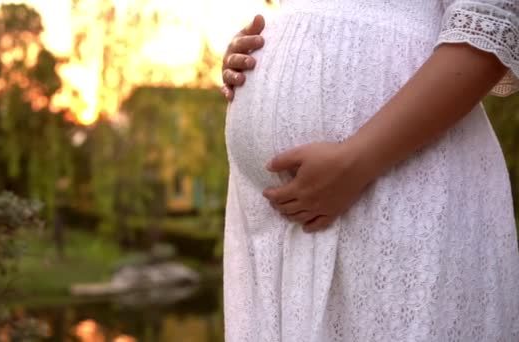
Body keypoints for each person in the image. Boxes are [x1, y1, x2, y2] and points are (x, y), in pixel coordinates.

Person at [221, 1, 519, 341]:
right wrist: (265, 51)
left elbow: (490, 24)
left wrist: (358, 159)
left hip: (403, 177)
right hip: (267, 228)